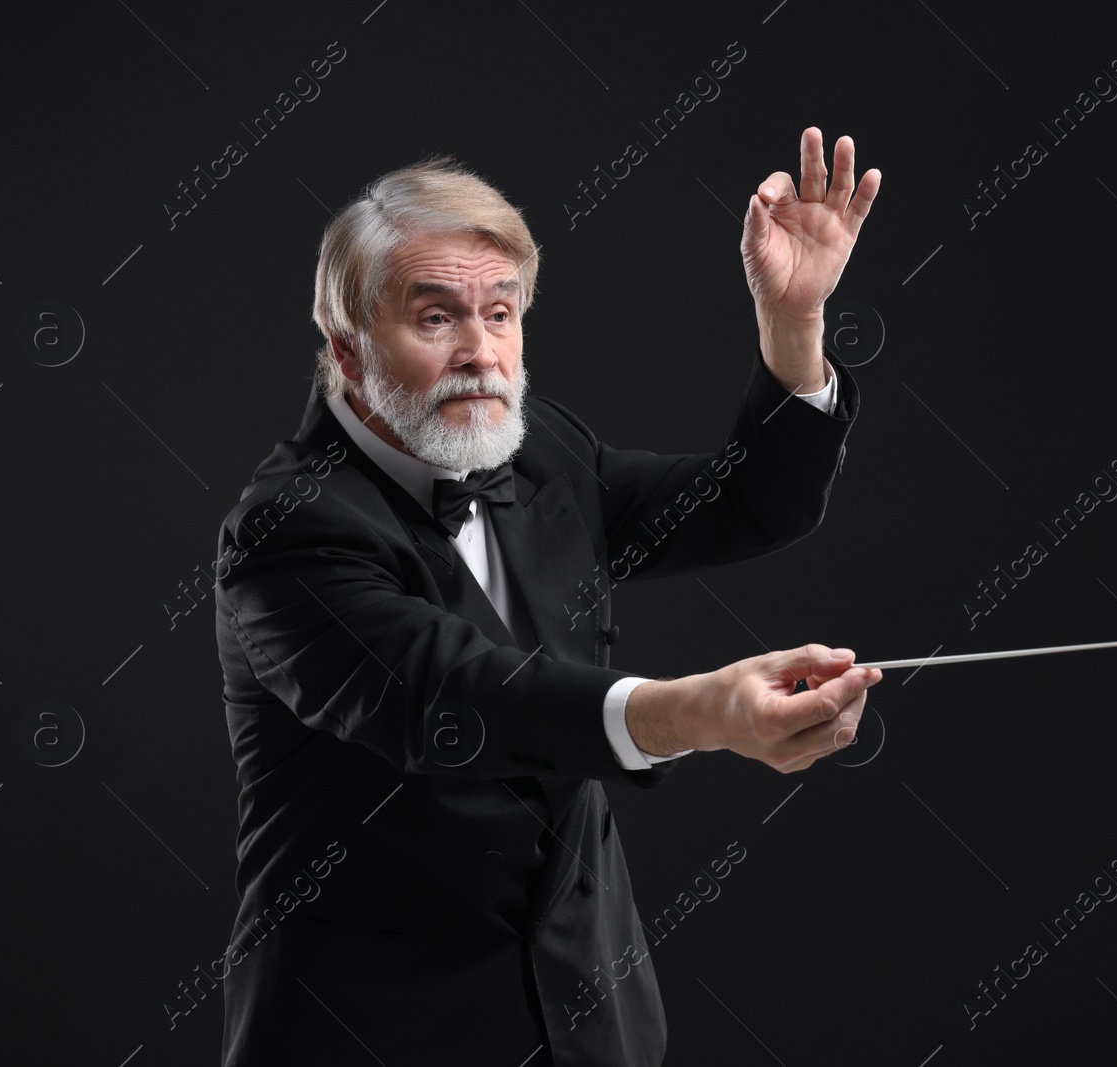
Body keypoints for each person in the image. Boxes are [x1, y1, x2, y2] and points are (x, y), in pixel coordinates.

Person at [215, 127, 883, 1067]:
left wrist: (793, 323)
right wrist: (699, 711)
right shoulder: (288, 530)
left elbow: (749, 502)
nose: (482, 354)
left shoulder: (538, 451)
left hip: (590, 1021)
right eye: (436, 317)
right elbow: (457, 694)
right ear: (347, 347)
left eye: (501, 312)